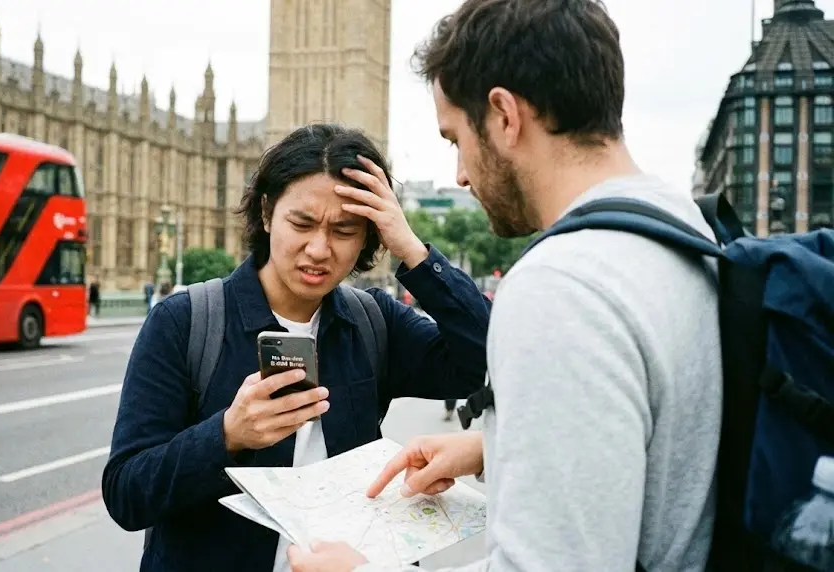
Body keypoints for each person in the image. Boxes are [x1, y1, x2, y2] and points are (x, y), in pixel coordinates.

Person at [287, 1, 722, 571]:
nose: (461, 174)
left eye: (455, 139)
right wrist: (495, 449)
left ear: (504, 116)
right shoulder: (682, 225)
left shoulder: (561, 287)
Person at [102, 123, 492, 572]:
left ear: (369, 235)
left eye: (345, 230)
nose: (319, 249)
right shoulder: (185, 322)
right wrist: (226, 435)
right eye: (301, 223)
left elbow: (483, 362)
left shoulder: (373, 322)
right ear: (267, 214)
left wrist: (412, 249)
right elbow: (126, 493)